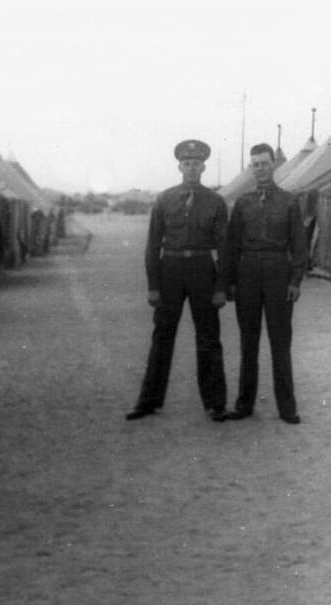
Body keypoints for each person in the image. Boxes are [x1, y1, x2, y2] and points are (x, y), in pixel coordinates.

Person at [126, 139, 229, 422]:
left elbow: (225, 248)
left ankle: (215, 403)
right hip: (169, 268)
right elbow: (152, 244)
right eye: (187, 164)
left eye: (196, 164)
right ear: (179, 166)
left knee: (208, 337)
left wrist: (221, 287)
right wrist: (153, 285)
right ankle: (148, 400)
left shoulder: (216, 202)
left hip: (201, 269)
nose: (191, 168)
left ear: (203, 167)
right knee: (162, 336)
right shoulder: (164, 199)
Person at [226, 143, 307, 425]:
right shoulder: (242, 203)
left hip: (277, 273)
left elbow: (299, 244)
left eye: (264, 163)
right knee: (249, 342)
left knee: (280, 342)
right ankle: (244, 404)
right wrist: (231, 283)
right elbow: (232, 244)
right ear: (251, 168)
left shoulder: (289, 201)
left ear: (273, 165)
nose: (260, 168)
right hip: (247, 272)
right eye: (255, 164)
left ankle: (287, 408)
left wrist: (295, 280)